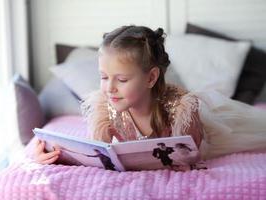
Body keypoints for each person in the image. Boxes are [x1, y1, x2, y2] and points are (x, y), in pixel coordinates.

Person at [34, 25, 266, 165]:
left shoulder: (182, 110)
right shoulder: (106, 109)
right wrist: (54, 154)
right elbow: (96, 155)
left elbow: (188, 158)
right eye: (104, 77)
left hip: (209, 136)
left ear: (151, 78)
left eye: (122, 79)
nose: (109, 88)